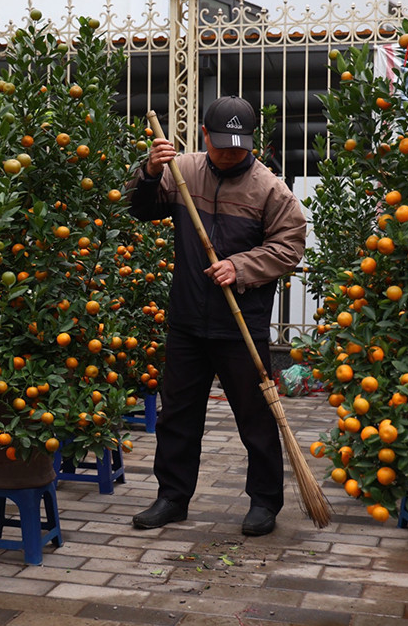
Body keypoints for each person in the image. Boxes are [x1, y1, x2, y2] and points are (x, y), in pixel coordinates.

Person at [126, 96, 306, 536]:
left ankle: (264, 501)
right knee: (178, 415)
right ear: (205, 135)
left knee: (256, 417)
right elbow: (141, 209)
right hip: (188, 317)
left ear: (252, 142)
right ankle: (172, 497)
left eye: (238, 147)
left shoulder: (270, 189)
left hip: (241, 323)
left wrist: (240, 266)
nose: (229, 154)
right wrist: (149, 172)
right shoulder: (182, 171)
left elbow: (289, 247)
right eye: (221, 144)